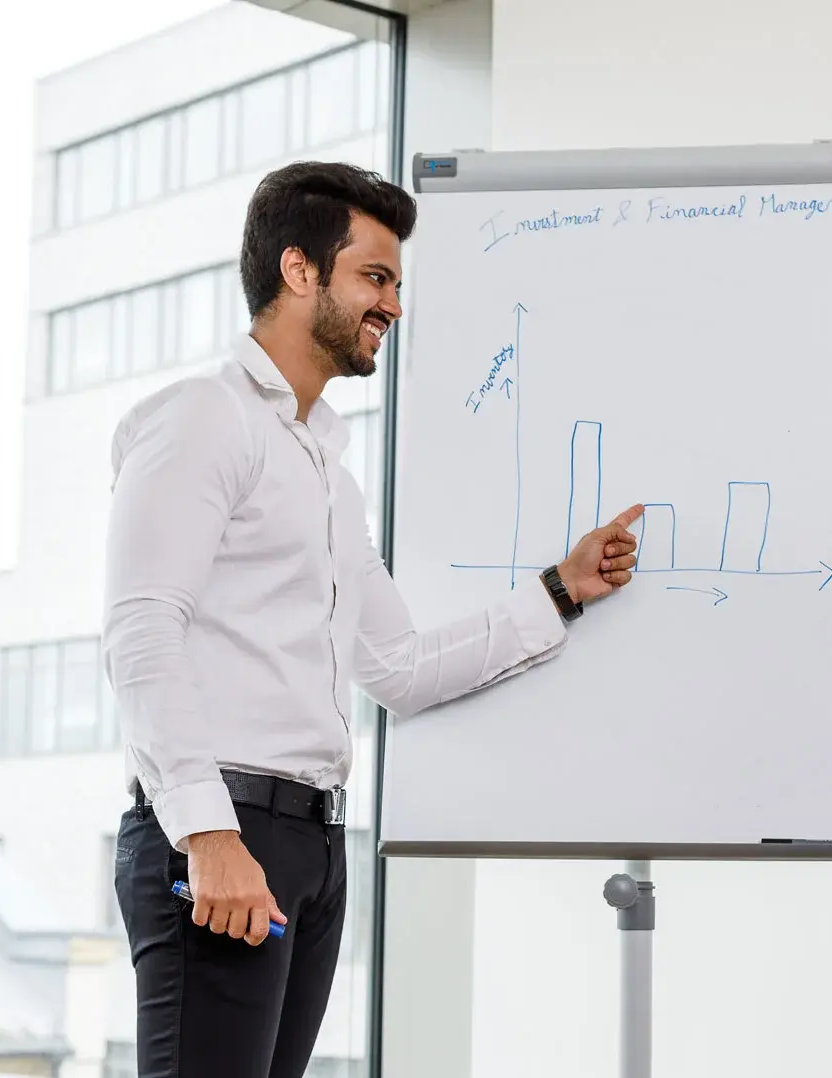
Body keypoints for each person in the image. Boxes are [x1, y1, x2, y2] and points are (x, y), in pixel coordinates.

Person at [104, 160, 645, 1078]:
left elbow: (395, 665)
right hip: (224, 830)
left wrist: (557, 590)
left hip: (309, 845)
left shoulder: (325, 469)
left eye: (394, 282)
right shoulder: (205, 419)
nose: (392, 304)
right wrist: (207, 833)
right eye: (376, 276)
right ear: (299, 271)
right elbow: (142, 629)